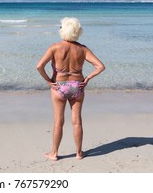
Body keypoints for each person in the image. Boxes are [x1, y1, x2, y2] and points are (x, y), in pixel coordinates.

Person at [36, 17, 105, 161]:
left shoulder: (55, 47)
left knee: (58, 122)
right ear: (77, 31)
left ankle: (54, 153)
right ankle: (79, 153)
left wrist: (49, 81)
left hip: (58, 86)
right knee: (77, 121)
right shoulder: (82, 49)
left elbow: (39, 66)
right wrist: (87, 79)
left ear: (62, 30)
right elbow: (100, 66)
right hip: (77, 86)